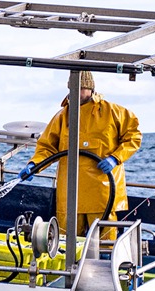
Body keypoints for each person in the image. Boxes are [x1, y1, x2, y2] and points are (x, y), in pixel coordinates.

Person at [17, 71, 141, 239]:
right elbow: (47, 147)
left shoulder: (114, 112)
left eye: (81, 88)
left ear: (91, 88)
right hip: (69, 193)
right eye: (74, 88)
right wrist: (34, 165)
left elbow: (133, 136)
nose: (77, 92)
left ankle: (107, 261)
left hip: (103, 191)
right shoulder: (62, 116)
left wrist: (115, 158)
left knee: (105, 241)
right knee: (65, 241)